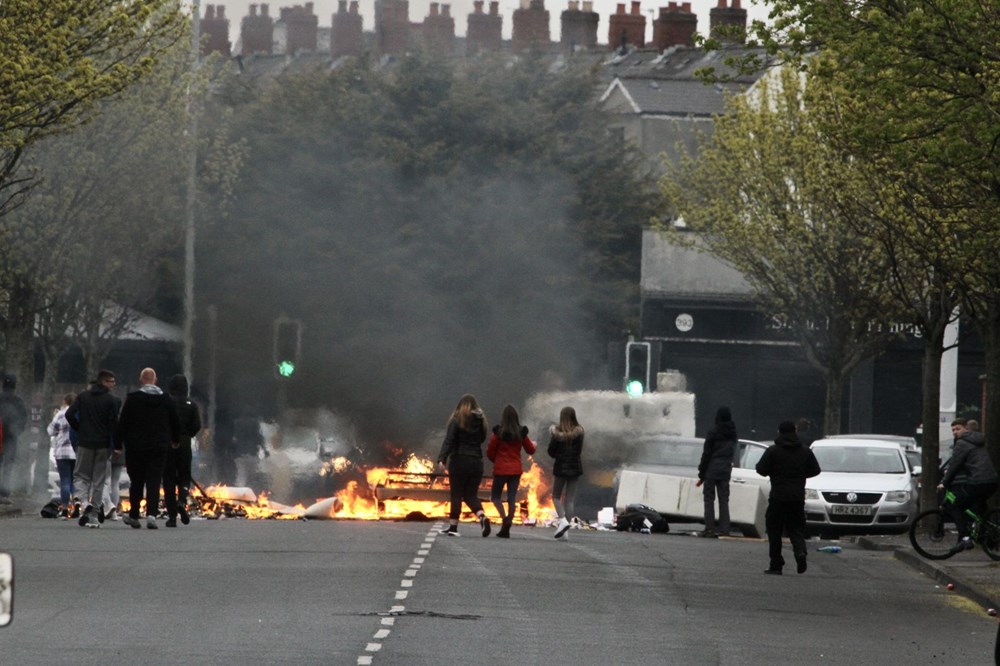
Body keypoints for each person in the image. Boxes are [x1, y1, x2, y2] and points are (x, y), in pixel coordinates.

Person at [115, 368, 180, 530]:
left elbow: (123, 423)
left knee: (136, 481)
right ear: (155, 381)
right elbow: (175, 422)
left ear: (141, 380)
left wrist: (117, 444)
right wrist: (175, 440)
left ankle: (134, 515)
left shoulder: (133, 399)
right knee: (154, 480)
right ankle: (151, 514)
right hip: (159, 446)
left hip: (136, 447)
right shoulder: (166, 399)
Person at [755, 420, 821, 575]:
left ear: (779, 432)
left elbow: (760, 469)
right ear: (795, 432)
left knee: (774, 530)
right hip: (797, 497)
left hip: (778, 496)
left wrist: (774, 472)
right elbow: (816, 470)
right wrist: (801, 475)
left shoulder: (773, 451)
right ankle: (800, 552)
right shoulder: (805, 451)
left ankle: (776, 564)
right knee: (796, 528)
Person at [66, 371, 121, 528]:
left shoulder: (83, 397)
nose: (113, 384)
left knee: (80, 476)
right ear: (103, 382)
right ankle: (95, 514)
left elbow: (70, 414)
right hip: (103, 444)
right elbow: (114, 425)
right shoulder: (112, 400)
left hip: (84, 443)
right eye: (111, 381)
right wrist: (116, 445)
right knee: (99, 480)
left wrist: (79, 429)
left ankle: (84, 502)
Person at [940, 418, 999, 554]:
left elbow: (955, 464)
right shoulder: (977, 441)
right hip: (991, 481)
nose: (955, 432)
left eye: (958, 429)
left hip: (979, 482)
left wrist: (944, 482)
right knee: (980, 510)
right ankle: (990, 539)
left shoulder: (962, 443)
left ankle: (965, 538)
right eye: (953, 430)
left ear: (966, 428)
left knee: (955, 505)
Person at [436, 394, 491, 537]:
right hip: (476, 462)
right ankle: (482, 517)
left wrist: (442, 458)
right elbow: (482, 439)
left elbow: (449, 440)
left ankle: (453, 528)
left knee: (456, 494)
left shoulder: (456, 420)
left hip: (459, 460)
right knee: (470, 495)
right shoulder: (481, 422)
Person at [486, 404, 536, 538]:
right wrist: (534, 445)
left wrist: (496, 461)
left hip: (500, 469)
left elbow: (490, 451)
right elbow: (530, 450)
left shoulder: (498, 433)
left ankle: (504, 519)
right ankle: (509, 520)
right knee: (512, 498)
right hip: (515, 470)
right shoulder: (521, 433)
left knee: (496, 497)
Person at [163, 374, 202, 528]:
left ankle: (172, 516)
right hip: (185, 443)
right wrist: (187, 434)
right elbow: (197, 425)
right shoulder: (192, 404)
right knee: (184, 475)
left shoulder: (166, 403)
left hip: (168, 444)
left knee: (168, 479)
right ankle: (182, 500)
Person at [696, 406, 739, 538]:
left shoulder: (713, 432)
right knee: (724, 500)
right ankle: (725, 529)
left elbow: (707, 453)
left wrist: (701, 473)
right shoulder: (733, 433)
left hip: (712, 469)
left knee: (709, 499)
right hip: (726, 469)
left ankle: (709, 529)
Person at [548, 406, 584, 539]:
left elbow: (551, 452)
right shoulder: (580, 432)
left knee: (556, 496)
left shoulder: (557, 433)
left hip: (561, 467)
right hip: (575, 467)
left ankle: (562, 521)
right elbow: (579, 450)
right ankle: (566, 532)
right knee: (570, 499)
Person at [0, 374, 28, 500]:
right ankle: (4, 491)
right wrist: (17, 431)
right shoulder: (18, 401)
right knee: (8, 465)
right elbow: (23, 418)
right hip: (11, 436)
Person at [47, 394, 76, 516]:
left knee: (65, 480)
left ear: (65, 401)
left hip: (62, 452)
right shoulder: (80, 413)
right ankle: (77, 505)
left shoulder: (60, 414)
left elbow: (50, 431)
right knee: (75, 480)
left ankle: (65, 508)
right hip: (76, 451)